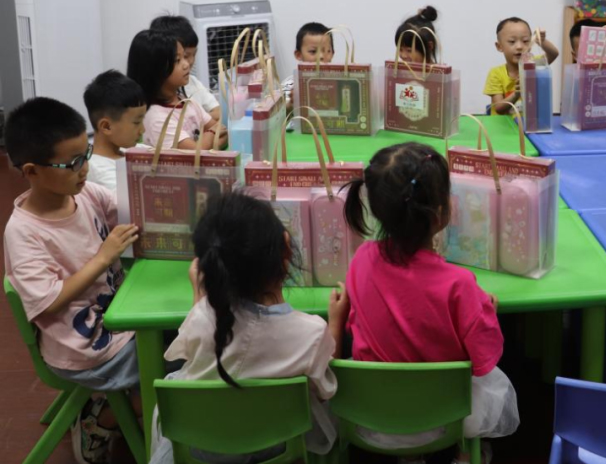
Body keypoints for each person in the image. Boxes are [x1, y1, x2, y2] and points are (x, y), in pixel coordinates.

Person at [341, 142, 519, 463]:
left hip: (372, 416)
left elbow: (361, 323)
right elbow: (485, 358)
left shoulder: (361, 260)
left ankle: (410, 457)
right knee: (487, 381)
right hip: (444, 420)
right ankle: (464, 455)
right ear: (440, 214)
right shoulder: (460, 284)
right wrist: (484, 310)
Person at [149, 192, 344, 463]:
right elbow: (324, 393)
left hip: (202, 449)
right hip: (276, 449)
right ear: (286, 249)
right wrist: (336, 322)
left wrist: (200, 295)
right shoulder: (311, 333)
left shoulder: (202, 317)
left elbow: (197, 344)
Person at [4, 97, 141, 464]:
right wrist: (103, 258)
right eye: (73, 163)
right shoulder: (25, 233)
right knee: (167, 367)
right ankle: (101, 420)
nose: (85, 169)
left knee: (176, 341)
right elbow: (49, 301)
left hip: (116, 315)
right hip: (83, 347)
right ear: (32, 171)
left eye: (87, 155)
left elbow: (128, 211)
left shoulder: (85, 194)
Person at [128, 29, 223, 151]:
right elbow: (195, 154)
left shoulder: (186, 101)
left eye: (184, 57)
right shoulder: (157, 117)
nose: (186, 64)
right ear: (155, 69)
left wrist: (207, 141)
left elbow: (222, 131)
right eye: (177, 60)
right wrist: (211, 134)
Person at [149, 14, 221, 121]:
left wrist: (196, 121)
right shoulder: (156, 107)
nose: (190, 62)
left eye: (194, 54)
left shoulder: (193, 82)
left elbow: (218, 111)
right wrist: (201, 120)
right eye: (182, 57)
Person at [83, 70, 146, 190]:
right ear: (106, 127)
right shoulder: (99, 171)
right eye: (137, 122)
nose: (143, 130)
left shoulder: (135, 150)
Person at [485, 17, 559, 115]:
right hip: (502, 124)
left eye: (525, 41)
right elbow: (499, 108)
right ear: (499, 46)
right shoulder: (495, 73)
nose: (519, 47)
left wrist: (542, 41)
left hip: (528, 123)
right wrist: (516, 94)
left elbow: (553, 54)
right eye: (512, 41)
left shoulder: (533, 64)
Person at [282, 21, 336, 102]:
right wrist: (291, 103)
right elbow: (282, 108)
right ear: (298, 55)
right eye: (313, 51)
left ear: (332, 54)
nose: (321, 56)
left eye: (327, 51)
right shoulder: (290, 85)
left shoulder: (340, 81)